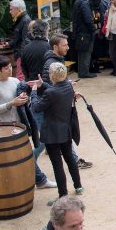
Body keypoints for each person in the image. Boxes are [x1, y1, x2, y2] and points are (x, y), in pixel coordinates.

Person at [34, 62, 84, 197]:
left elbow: (36, 107)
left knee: (57, 165)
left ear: (52, 75)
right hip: (65, 130)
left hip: (52, 134)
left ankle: (63, 194)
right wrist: (42, 84)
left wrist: (33, 92)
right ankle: (78, 186)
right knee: (70, 159)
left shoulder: (50, 92)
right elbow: (55, 90)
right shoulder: (68, 86)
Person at [72, 0, 98, 79]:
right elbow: (88, 19)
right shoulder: (84, 3)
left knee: (82, 53)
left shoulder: (77, 1)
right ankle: (84, 72)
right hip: (85, 32)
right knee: (86, 52)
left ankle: (83, 71)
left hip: (79, 31)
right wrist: (93, 29)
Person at [4, 0, 32, 74]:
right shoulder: (21, 19)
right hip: (20, 53)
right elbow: (18, 37)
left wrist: (21, 57)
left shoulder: (25, 20)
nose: (10, 12)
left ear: (18, 9)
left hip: (21, 55)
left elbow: (26, 40)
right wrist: (9, 43)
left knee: (20, 77)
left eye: (11, 9)